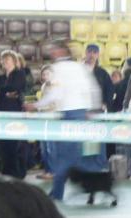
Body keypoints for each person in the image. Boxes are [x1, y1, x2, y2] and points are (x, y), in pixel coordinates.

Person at [24, 39, 101, 201]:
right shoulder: (79, 67)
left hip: (69, 115)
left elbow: (55, 94)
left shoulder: (58, 69)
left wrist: (36, 105)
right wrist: (92, 109)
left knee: (65, 156)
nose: (51, 52)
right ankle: (89, 185)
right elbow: (93, 88)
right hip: (80, 114)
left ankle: (58, 193)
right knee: (75, 155)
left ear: (61, 52)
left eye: (53, 49)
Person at [0, 50, 26, 179]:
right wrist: (6, 93)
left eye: (7, 60)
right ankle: (6, 171)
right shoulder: (0, 76)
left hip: (14, 110)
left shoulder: (19, 73)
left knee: (14, 142)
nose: (4, 62)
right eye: (2, 60)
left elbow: (17, 87)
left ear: (14, 61)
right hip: (2, 109)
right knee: (3, 143)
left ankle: (16, 172)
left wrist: (3, 91)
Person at [35, 65, 55, 180]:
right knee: (44, 147)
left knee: (50, 147)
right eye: (44, 74)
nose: (45, 76)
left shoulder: (55, 86)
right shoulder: (44, 86)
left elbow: (54, 104)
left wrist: (39, 107)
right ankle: (47, 170)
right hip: (43, 118)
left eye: (48, 73)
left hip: (51, 118)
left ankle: (52, 171)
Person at [84, 44, 114, 112]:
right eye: (89, 52)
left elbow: (110, 90)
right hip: (81, 108)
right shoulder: (79, 70)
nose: (92, 55)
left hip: (96, 109)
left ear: (98, 55)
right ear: (86, 53)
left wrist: (105, 104)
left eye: (94, 52)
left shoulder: (103, 73)